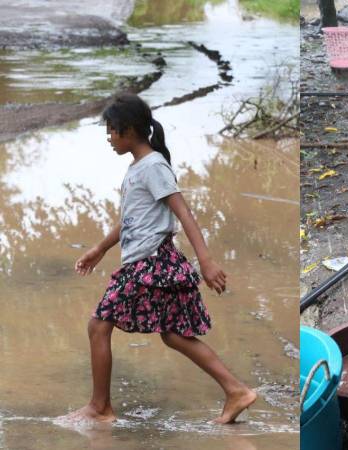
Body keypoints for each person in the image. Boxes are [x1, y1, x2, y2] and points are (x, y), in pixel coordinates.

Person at [58, 94, 256, 425]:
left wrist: (205, 261)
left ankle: (100, 407)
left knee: (98, 325)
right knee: (173, 333)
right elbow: (132, 218)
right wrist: (100, 248)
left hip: (150, 263)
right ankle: (236, 390)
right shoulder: (140, 167)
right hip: (151, 261)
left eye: (111, 130)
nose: (109, 138)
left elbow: (183, 212)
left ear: (129, 129)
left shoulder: (153, 166)